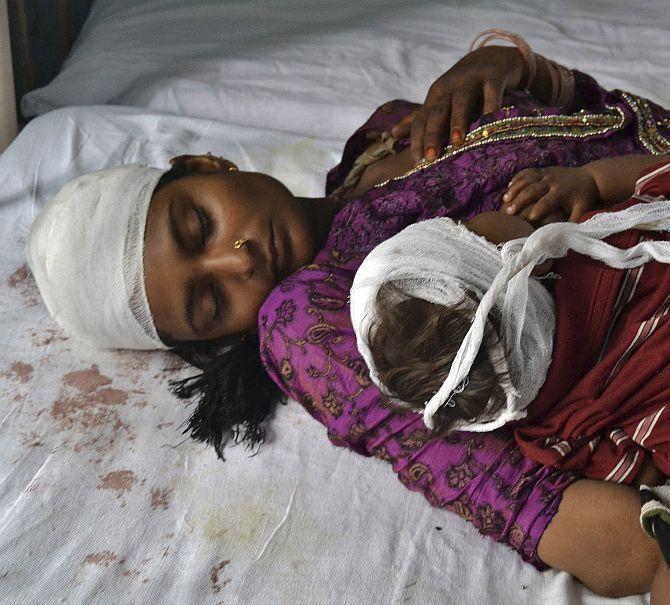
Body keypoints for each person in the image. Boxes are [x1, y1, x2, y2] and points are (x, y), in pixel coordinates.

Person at [25, 30, 670, 600]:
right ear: (221, 338)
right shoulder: (306, 318)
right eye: (211, 301)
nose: (239, 261)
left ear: (203, 167)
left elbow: (589, 111)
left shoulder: (381, 136)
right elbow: (503, 490)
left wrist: (517, 70)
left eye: (200, 224)